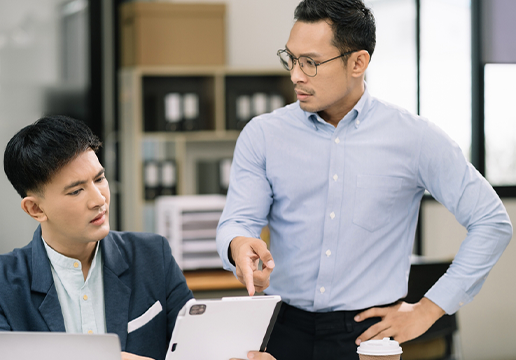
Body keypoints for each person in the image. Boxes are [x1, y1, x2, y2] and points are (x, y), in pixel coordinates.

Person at [216, 1, 513, 359]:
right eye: (290, 58)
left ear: (358, 63)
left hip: (367, 336)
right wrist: (238, 248)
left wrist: (429, 309)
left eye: (310, 62)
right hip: (280, 328)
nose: (295, 74)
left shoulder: (414, 138)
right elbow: (238, 220)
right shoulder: (262, 135)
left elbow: (491, 222)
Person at [0, 115, 274, 360]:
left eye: (99, 179)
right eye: (77, 190)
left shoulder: (153, 256)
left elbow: (195, 350)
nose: (98, 198)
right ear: (35, 209)